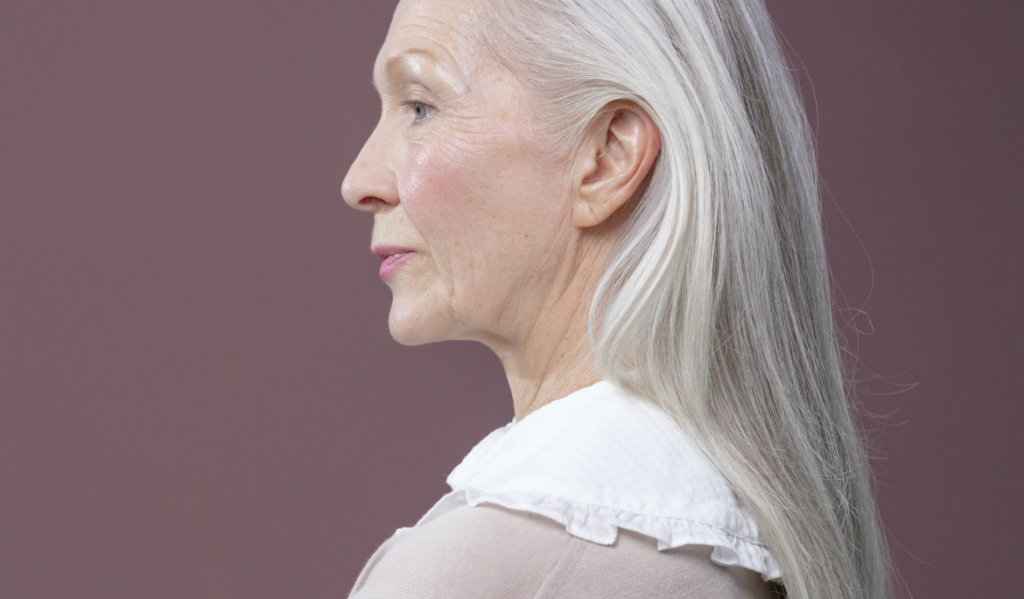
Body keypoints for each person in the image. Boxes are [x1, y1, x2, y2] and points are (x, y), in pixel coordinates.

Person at [341, 0, 890, 597]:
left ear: (607, 158)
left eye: (421, 106)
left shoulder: (473, 574)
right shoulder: (739, 553)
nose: (360, 182)